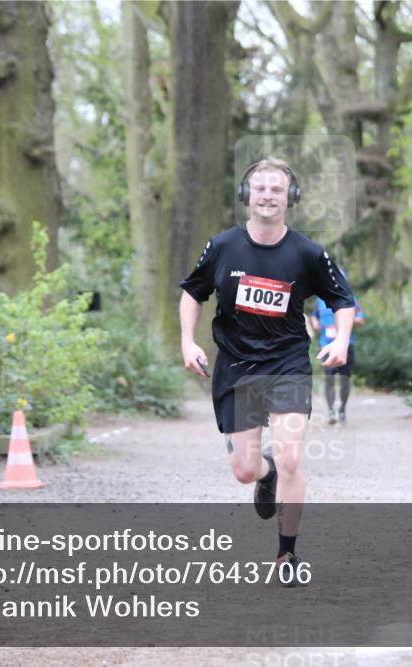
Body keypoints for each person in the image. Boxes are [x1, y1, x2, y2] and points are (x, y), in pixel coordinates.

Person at [178, 157, 356, 586]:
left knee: (292, 454)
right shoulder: (222, 247)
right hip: (237, 367)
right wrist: (187, 340)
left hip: (288, 364)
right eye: (260, 188)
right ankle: (265, 473)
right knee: (244, 470)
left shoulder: (308, 253)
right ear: (247, 196)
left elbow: (342, 300)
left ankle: (286, 554)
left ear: (290, 198)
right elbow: (193, 293)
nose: (268, 195)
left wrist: (340, 339)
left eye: (277, 189)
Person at [311, 292, 364, 425]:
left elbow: (360, 320)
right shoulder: (320, 300)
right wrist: (316, 323)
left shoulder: (351, 299)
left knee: (345, 379)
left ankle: (342, 409)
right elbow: (314, 316)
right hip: (326, 345)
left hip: (346, 345)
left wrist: (344, 319)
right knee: (329, 379)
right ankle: (331, 411)